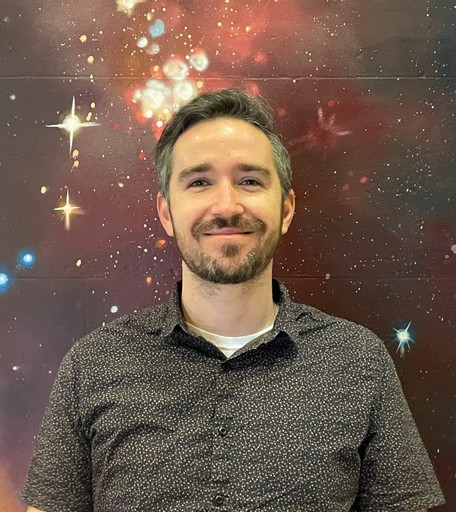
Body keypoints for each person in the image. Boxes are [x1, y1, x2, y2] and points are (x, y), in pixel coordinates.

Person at [21, 89, 445, 512]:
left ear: (286, 209)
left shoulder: (358, 361)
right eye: (199, 182)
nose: (226, 206)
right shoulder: (93, 365)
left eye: (250, 181)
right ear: (166, 212)